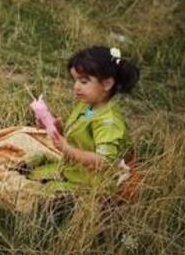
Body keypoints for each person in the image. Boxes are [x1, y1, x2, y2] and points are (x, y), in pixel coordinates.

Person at [23, 46, 139, 192]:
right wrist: (55, 129)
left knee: (38, 192)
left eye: (84, 82)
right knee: (36, 164)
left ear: (107, 84)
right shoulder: (90, 107)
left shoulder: (108, 122)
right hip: (74, 170)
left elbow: (103, 162)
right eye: (75, 80)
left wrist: (67, 149)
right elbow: (84, 134)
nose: (76, 87)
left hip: (91, 183)